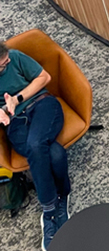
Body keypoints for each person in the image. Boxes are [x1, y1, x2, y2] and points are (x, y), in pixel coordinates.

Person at [0, 42, 71, 249]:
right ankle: (62, 195)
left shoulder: (15, 57)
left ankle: (48, 212)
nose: (8, 62)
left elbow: (44, 78)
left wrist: (17, 98)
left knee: (35, 144)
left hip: (42, 104)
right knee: (54, 153)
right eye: (3, 64)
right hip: (14, 121)